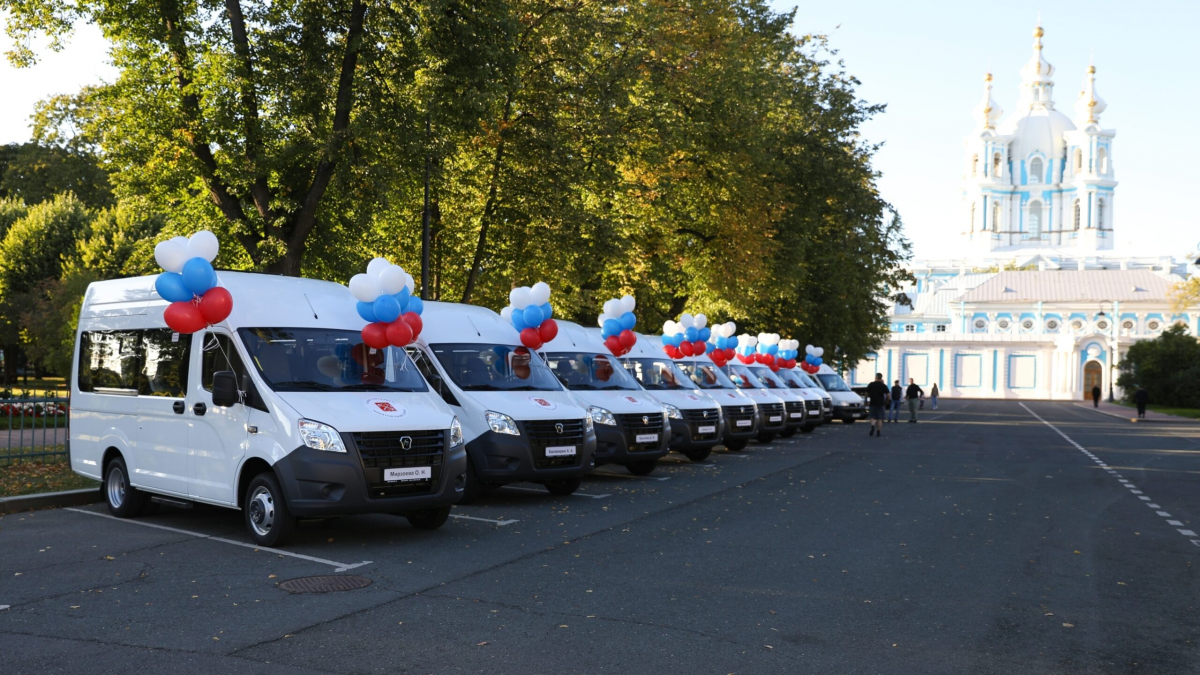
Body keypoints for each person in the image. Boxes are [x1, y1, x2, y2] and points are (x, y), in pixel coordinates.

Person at [866, 373, 889, 437]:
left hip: (872, 403)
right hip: (880, 403)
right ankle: (878, 432)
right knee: (880, 418)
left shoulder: (871, 384)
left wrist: (866, 400)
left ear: (876, 377)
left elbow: (866, 393)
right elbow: (888, 395)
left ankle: (873, 426)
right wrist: (887, 401)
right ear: (881, 378)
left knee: (872, 417)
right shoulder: (883, 385)